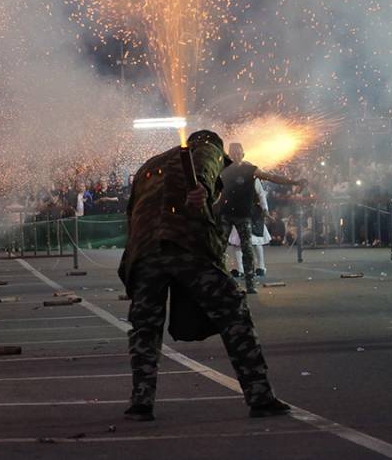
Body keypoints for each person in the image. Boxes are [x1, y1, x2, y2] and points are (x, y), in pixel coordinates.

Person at [119, 130, 290, 422]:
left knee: (145, 326)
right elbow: (202, 176)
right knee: (233, 313)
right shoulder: (207, 150)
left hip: (145, 251)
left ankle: (141, 402)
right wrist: (203, 193)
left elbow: (132, 210)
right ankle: (260, 396)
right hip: (185, 244)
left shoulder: (150, 165)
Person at [220, 142, 304, 293]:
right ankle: (220, 283)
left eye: (239, 152)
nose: (237, 155)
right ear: (229, 154)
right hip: (226, 215)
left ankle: (250, 284)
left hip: (244, 216)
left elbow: (271, 177)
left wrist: (293, 182)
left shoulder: (251, 169)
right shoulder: (223, 169)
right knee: (220, 249)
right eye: (234, 153)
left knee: (248, 249)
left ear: (243, 154)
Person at [229, 178, 271, 277]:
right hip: (237, 211)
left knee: (256, 240)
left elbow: (261, 194)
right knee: (237, 242)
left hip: (253, 211)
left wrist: (265, 209)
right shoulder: (232, 177)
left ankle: (261, 267)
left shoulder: (253, 179)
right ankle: (240, 269)